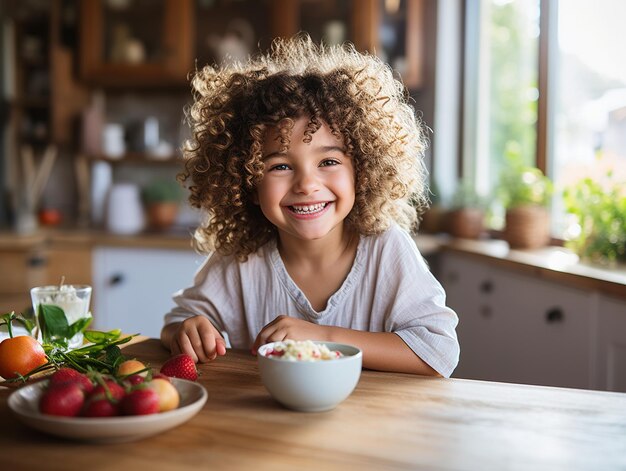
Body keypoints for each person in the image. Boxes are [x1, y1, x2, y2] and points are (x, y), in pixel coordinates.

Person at [161, 35, 459, 377]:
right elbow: (178, 322)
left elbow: (439, 353)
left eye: (328, 161)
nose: (306, 184)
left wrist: (322, 338)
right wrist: (187, 330)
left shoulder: (386, 250)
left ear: (361, 170)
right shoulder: (242, 259)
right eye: (280, 166)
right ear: (249, 183)